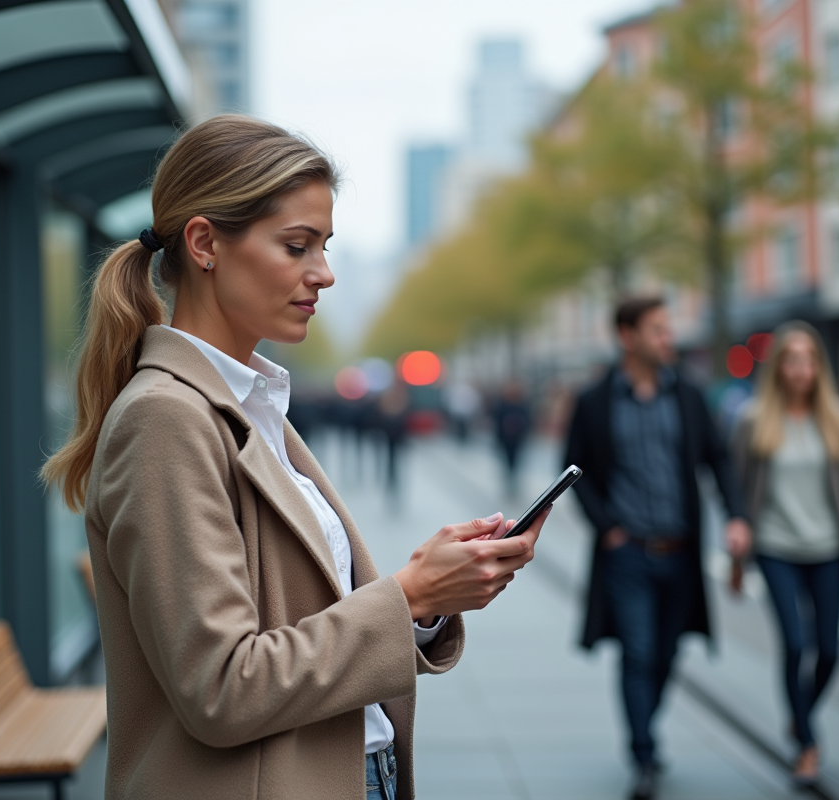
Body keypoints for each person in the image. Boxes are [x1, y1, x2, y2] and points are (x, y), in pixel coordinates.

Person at [42, 116, 549, 800]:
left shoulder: (250, 404)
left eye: (326, 246)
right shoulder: (166, 418)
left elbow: (301, 622)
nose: (325, 274)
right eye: (297, 246)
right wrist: (410, 595)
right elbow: (221, 686)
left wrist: (427, 600)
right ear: (204, 243)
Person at [564, 297, 750, 800]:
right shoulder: (595, 400)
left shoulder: (688, 395)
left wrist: (736, 516)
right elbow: (573, 470)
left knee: (668, 652)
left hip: (682, 550)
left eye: (669, 330)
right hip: (627, 554)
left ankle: (646, 733)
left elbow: (718, 459)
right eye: (658, 330)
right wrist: (607, 527)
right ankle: (643, 752)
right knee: (639, 651)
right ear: (627, 335)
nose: (669, 339)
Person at [730, 321, 839, 787]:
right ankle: (807, 746)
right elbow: (736, 492)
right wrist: (735, 558)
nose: (801, 369)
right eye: (792, 360)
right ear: (778, 367)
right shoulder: (754, 419)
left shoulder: (837, 417)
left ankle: (800, 714)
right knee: (795, 644)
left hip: (828, 548)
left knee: (829, 651)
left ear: (819, 367)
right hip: (775, 548)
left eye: (809, 360)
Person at [492, 380, 531, 497]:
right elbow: (497, 422)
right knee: (508, 461)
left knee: (516, 461)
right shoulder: (502, 405)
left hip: (517, 439)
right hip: (506, 439)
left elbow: (527, 420)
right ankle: (509, 481)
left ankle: (513, 482)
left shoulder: (522, 405)